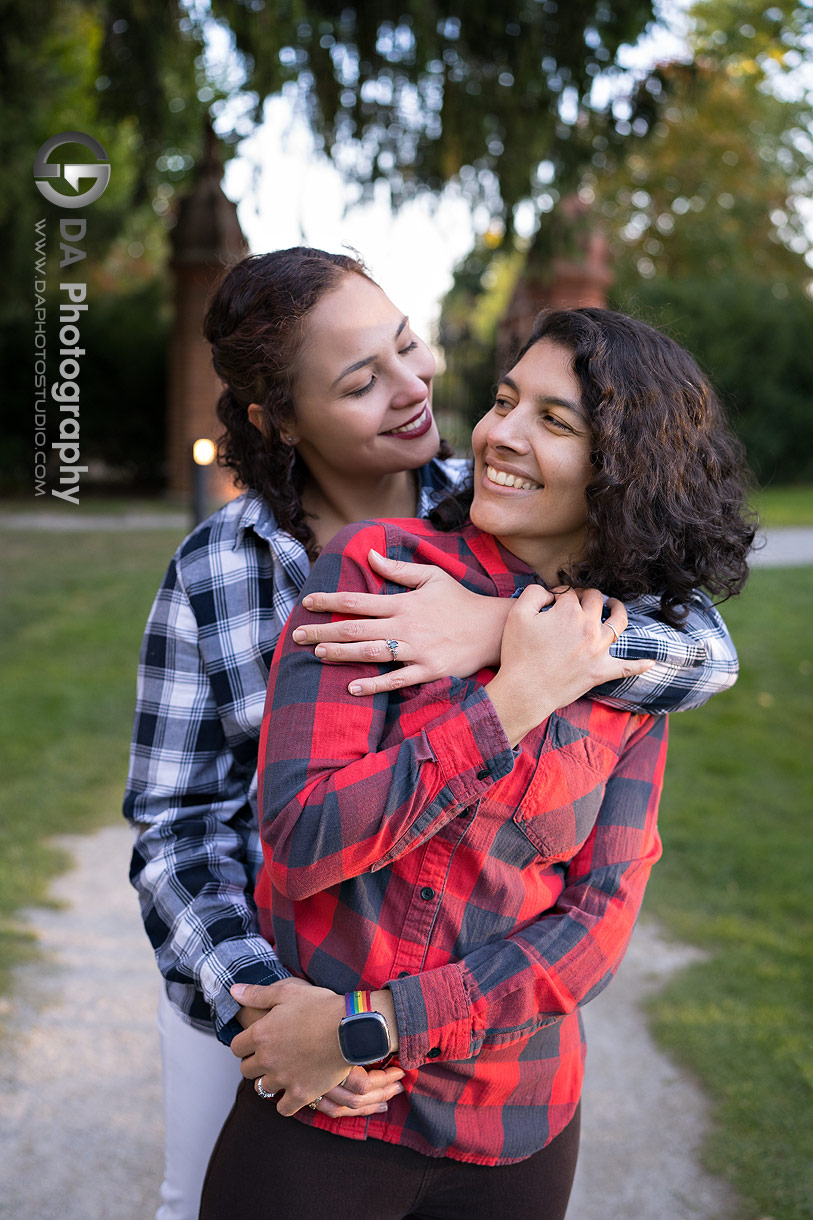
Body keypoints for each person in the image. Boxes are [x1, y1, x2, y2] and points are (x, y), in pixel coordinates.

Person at [124, 250, 741, 1220]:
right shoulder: (218, 570)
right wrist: (271, 1013)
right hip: (250, 977)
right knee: (187, 1190)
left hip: (483, 1076)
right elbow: (178, 823)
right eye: (363, 379)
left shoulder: (506, 504)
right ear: (278, 419)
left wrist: (501, 631)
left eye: (409, 347)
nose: (414, 389)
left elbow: (701, 651)